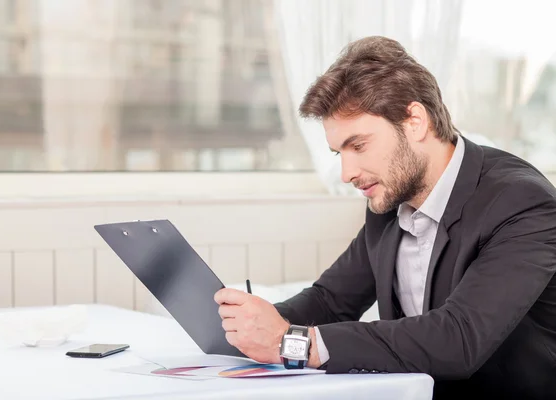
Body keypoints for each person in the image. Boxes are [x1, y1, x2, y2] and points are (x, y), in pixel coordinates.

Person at [213, 36, 556, 399]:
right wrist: (253, 326)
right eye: (338, 153)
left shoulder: (522, 203)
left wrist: (292, 343)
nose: (347, 173)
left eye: (358, 146)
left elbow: (459, 338)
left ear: (415, 122)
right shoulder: (391, 195)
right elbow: (331, 301)